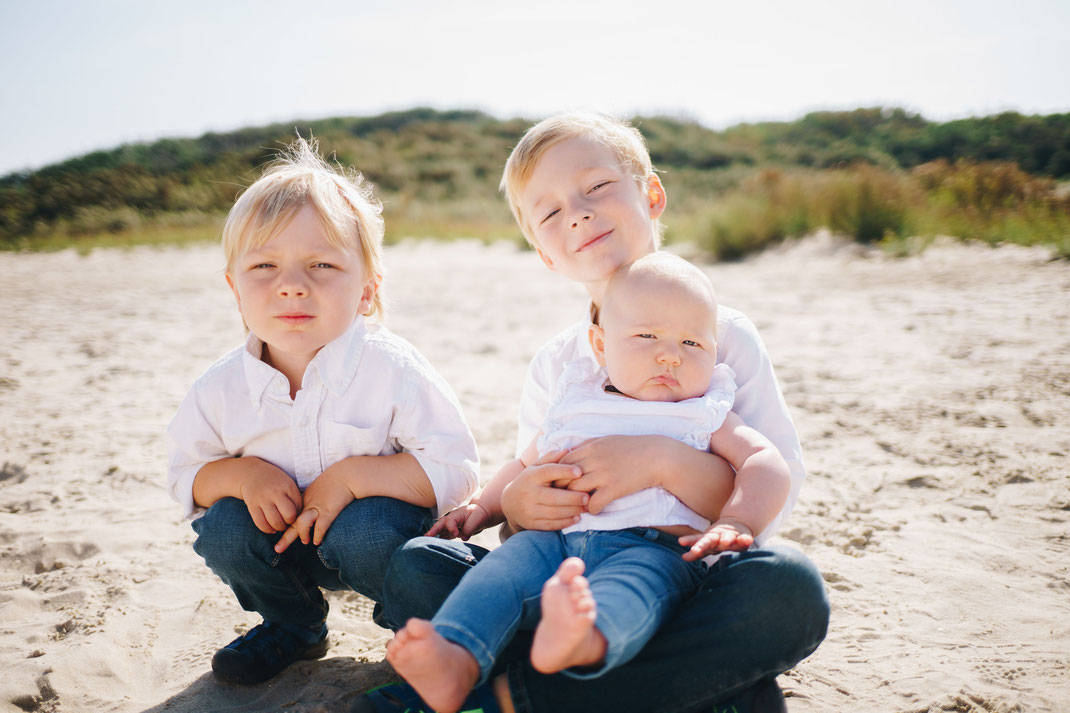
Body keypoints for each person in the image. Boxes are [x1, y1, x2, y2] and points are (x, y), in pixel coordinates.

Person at [358, 112, 829, 713]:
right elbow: (534, 473)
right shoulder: (560, 364)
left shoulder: (722, 338)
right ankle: (684, 686)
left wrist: (661, 461)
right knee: (422, 566)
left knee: (788, 588)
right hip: (563, 575)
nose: (577, 213)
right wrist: (519, 506)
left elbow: (772, 489)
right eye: (550, 212)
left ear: (651, 195)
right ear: (543, 252)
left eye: (598, 187)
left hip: (679, 567)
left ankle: (513, 697)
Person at [384, 253, 792, 713]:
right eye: (646, 336)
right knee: (497, 576)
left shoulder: (704, 410)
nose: (670, 354)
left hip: (653, 548)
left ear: (715, 352)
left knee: (629, 593)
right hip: (552, 543)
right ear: (600, 346)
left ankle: (581, 642)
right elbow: (526, 462)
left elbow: (766, 460)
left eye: (693, 343)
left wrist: (738, 517)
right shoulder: (577, 395)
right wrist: (484, 508)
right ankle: (456, 657)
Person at [166, 138, 479, 686]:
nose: (291, 284)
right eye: (264, 265)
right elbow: (184, 477)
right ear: (234, 288)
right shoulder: (220, 388)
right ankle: (295, 625)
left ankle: (415, 631)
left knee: (363, 531)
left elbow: (456, 470)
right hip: (281, 540)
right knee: (224, 529)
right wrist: (242, 474)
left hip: (379, 540)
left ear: (366, 290)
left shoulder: (392, 369)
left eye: (322, 264)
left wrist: (354, 478)